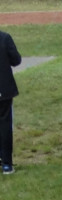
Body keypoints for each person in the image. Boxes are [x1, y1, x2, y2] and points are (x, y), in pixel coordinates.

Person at [0, 28, 20, 176]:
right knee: (5, 125)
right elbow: (16, 60)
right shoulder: (4, 38)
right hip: (3, 89)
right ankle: (6, 163)